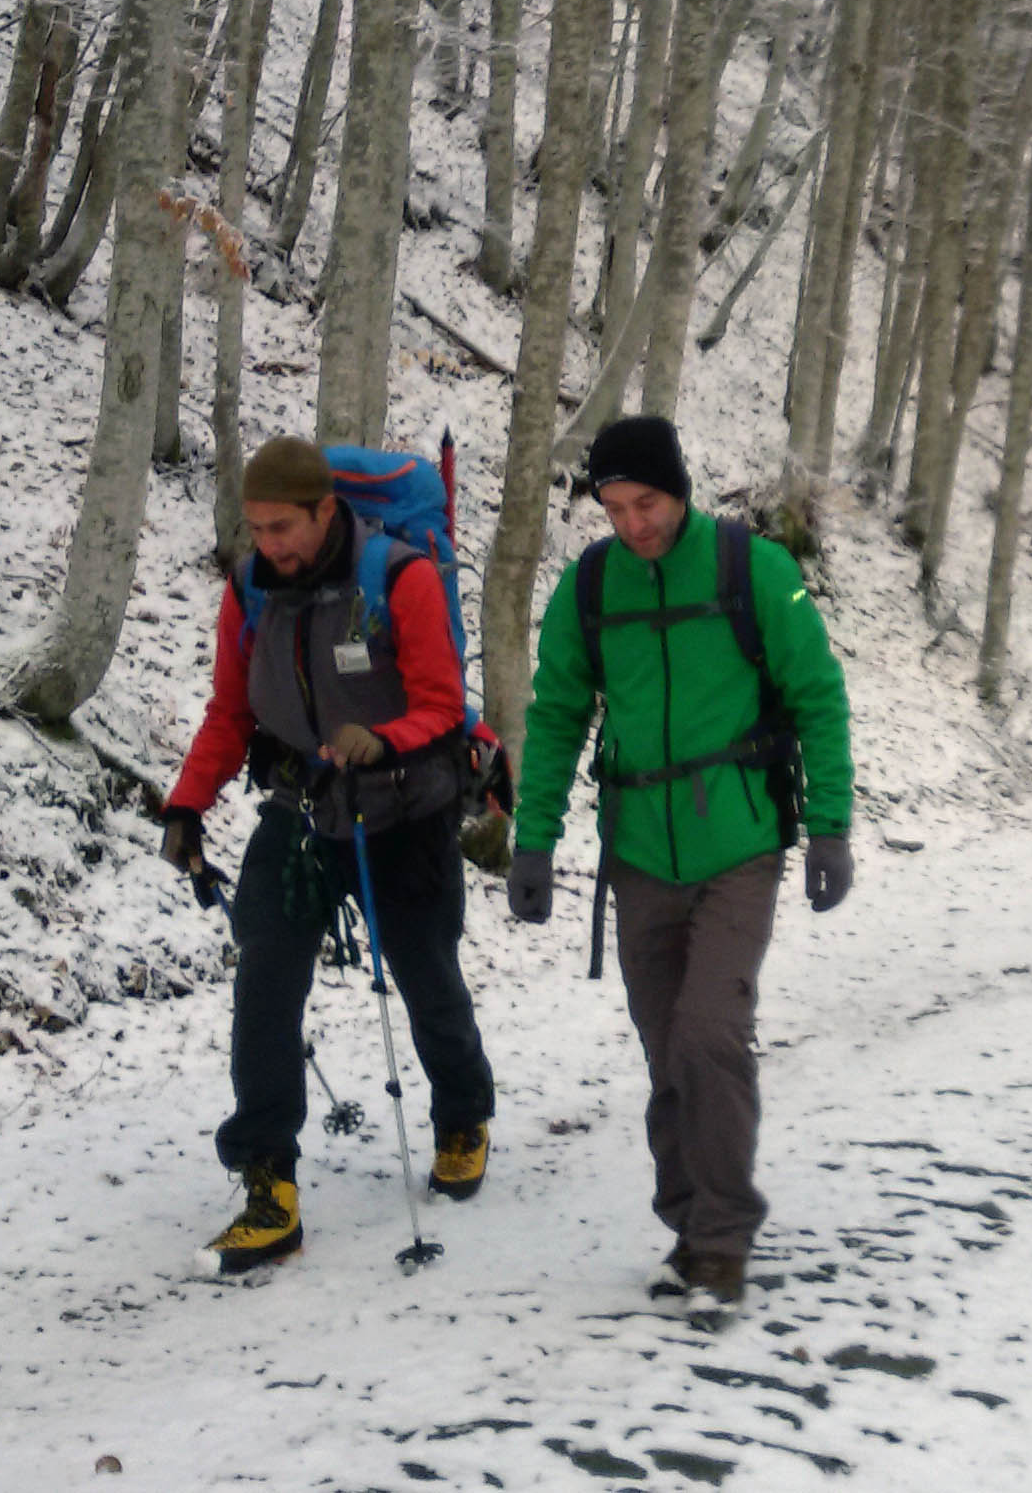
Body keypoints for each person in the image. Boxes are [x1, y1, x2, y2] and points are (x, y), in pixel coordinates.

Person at [506, 416, 856, 1323]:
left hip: (738, 840)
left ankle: (721, 1242)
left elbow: (818, 700)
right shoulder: (588, 589)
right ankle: (690, 1225)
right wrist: (534, 840)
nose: (631, 524)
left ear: (680, 489)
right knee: (668, 1050)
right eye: (614, 508)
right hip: (638, 852)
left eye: (646, 503)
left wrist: (828, 828)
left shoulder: (755, 570)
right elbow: (554, 717)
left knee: (708, 1034)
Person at [157, 437, 500, 1275]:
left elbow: (443, 708)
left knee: (427, 975)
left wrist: (380, 739)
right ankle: (267, 1183)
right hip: (304, 808)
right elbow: (230, 712)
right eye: (255, 527)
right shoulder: (249, 590)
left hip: (403, 809)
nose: (268, 544)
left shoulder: (400, 579)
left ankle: (462, 1112)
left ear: (324, 510)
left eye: (282, 527)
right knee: (265, 976)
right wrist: (186, 804)